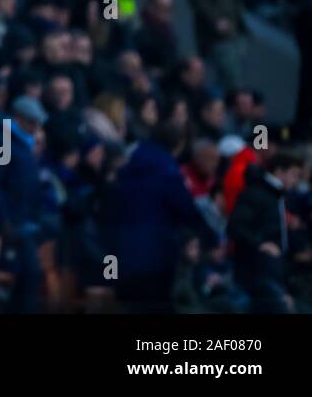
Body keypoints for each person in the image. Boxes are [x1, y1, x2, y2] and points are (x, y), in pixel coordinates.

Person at [108, 121, 217, 312]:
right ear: (178, 146)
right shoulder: (167, 172)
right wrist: (211, 238)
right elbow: (186, 210)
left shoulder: (127, 170)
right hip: (154, 258)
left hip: (120, 257)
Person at [229, 151, 304, 313]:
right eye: (293, 174)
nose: (296, 181)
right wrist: (260, 243)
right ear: (279, 171)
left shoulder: (276, 197)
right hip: (256, 273)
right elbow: (235, 226)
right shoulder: (257, 194)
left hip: (274, 271)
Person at [0, 95, 47, 313]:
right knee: (30, 272)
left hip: (25, 220)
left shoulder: (23, 145)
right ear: (18, 118)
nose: (35, 128)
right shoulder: (4, 142)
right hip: (14, 221)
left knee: (27, 274)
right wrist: (5, 219)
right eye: (31, 122)